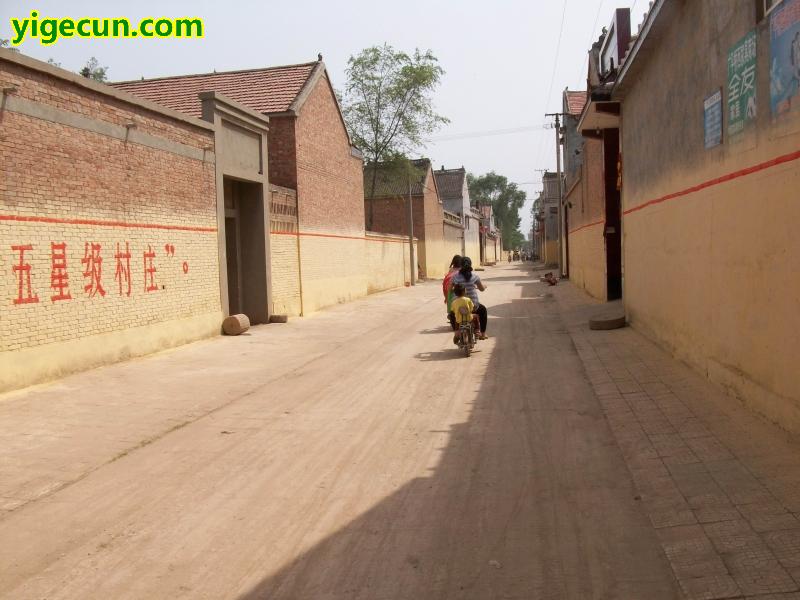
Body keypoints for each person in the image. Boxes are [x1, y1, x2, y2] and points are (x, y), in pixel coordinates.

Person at [449, 257, 488, 339]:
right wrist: (484, 286)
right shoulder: (475, 276)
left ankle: (457, 333)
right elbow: (481, 289)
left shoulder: (455, 277)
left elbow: (449, 289)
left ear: (460, 266)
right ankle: (482, 334)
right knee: (483, 310)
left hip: (458, 306)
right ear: (470, 265)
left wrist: (454, 289)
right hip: (473, 307)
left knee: (452, 314)